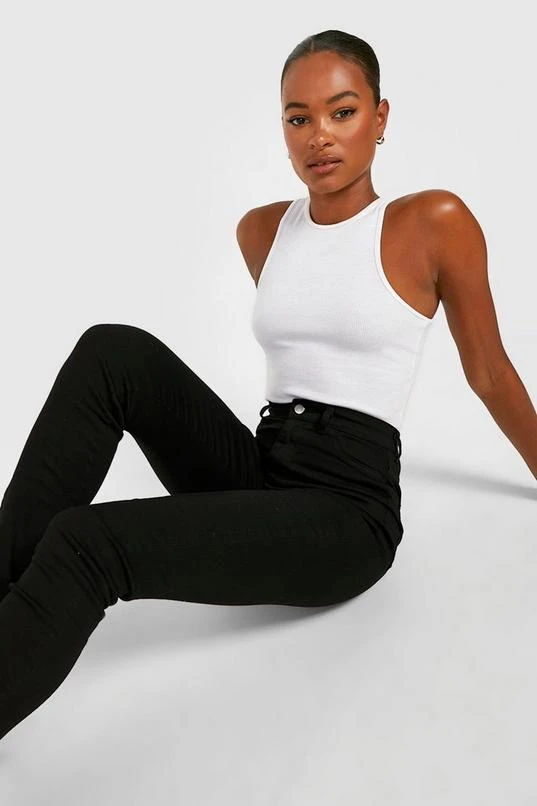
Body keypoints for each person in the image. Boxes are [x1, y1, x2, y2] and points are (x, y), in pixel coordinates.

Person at [1, 29, 536, 744]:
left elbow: (489, 372)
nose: (319, 135)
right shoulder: (262, 231)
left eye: (342, 112)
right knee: (112, 351)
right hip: (264, 465)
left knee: (88, 542)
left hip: (346, 513)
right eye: (298, 117)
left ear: (379, 117)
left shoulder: (431, 221)